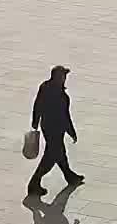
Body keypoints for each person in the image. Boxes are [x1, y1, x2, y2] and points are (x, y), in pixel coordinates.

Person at [29, 66, 84, 195]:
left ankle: (69, 176)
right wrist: (71, 132)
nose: (65, 79)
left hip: (47, 127)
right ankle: (34, 183)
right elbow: (65, 117)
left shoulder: (45, 86)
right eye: (63, 76)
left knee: (59, 152)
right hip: (56, 129)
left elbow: (38, 104)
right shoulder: (61, 96)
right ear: (58, 77)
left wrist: (35, 121)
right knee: (50, 158)